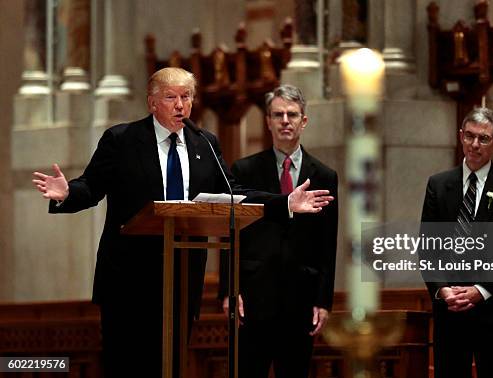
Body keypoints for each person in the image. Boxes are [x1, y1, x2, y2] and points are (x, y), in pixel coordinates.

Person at [31, 68, 333, 378]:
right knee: (125, 366)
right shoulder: (122, 139)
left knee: (171, 366)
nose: (180, 105)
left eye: (186, 97)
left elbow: (234, 194)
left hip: (181, 278)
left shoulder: (204, 143)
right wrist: (67, 192)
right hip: (128, 281)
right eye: (171, 97)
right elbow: (91, 187)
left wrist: (284, 203)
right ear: (152, 102)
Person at [220, 84, 338, 378]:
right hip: (253, 298)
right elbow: (231, 235)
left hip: (301, 298)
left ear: (304, 121)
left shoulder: (324, 175)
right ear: (268, 122)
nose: (285, 120)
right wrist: (229, 291)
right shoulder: (245, 170)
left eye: (292, 115)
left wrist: (323, 300)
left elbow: (327, 243)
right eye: (278, 115)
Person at [419, 107, 493, 378]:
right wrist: (442, 290)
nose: (474, 144)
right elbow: (427, 247)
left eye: (483, 138)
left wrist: (480, 290)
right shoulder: (438, 184)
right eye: (469, 136)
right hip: (450, 309)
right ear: (460, 136)